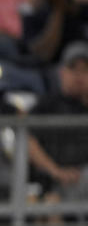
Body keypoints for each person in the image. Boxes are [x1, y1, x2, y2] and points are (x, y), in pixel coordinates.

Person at [28, 41, 88, 202]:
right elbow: (26, 141)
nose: (79, 76)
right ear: (62, 72)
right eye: (73, 68)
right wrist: (56, 171)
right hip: (52, 183)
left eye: (85, 70)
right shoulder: (46, 105)